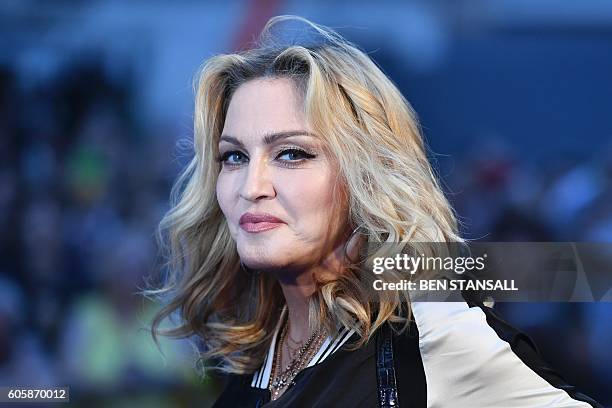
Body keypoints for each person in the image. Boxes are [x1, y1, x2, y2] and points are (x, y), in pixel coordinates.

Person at [150, 15, 603, 407]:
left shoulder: (428, 330)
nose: (251, 186)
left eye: (291, 154)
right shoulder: (254, 348)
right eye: (234, 157)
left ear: (364, 173)